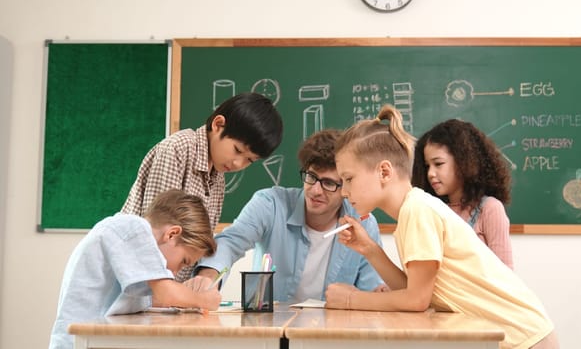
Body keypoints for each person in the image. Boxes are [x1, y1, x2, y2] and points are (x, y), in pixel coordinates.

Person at [325, 105, 558, 349]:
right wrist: (370, 249)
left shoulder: (418, 210)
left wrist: (351, 299)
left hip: (524, 338)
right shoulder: (411, 211)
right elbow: (413, 291)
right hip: (516, 336)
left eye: (348, 179)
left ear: (384, 171)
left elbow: (416, 300)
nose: (343, 191)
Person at [185, 129, 386, 302]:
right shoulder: (270, 204)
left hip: (331, 332)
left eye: (329, 183)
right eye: (311, 177)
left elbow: (371, 289)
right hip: (270, 329)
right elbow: (230, 242)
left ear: (346, 186)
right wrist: (208, 276)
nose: (315, 190)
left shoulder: (363, 224)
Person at [121, 92, 283, 281]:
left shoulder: (218, 178)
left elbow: (199, 246)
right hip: (140, 279)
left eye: (249, 160)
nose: (239, 164)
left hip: (170, 290)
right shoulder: (177, 149)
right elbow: (156, 239)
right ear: (218, 124)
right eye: (237, 150)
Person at [49, 190, 221, 349]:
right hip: (78, 343)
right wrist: (204, 299)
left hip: (90, 339)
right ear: (172, 234)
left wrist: (187, 299)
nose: (176, 272)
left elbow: (149, 299)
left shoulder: (130, 240)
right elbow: (166, 295)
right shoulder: (133, 227)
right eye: (184, 261)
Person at [411, 119, 514, 268]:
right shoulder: (431, 211)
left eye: (438, 164)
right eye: (427, 166)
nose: (430, 173)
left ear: (463, 161)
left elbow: (506, 276)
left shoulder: (489, 209)